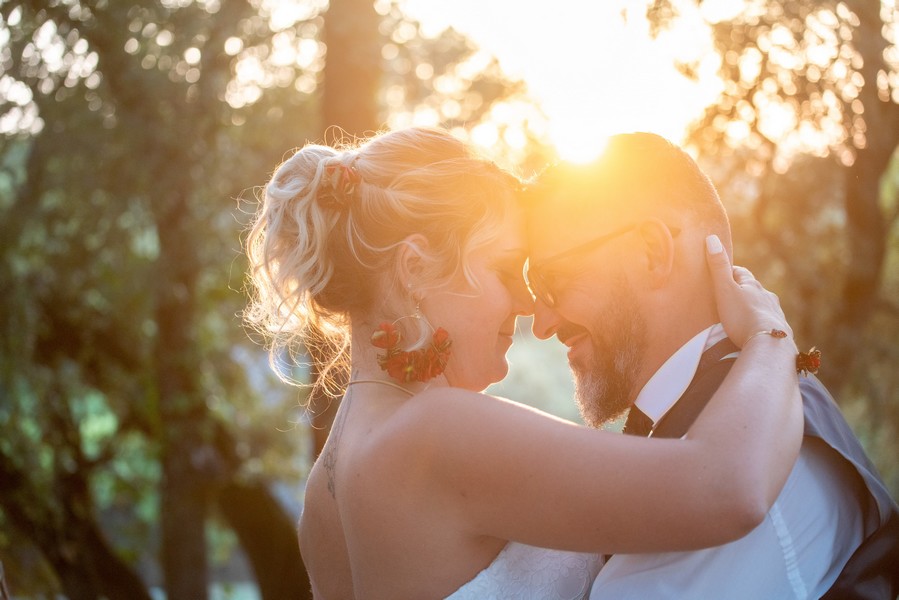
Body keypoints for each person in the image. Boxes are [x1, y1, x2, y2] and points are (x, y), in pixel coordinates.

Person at [244, 126, 804, 599]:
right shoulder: (439, 432)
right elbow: (729, 489)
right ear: (415, 269)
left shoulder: (323, 496)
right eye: (506, 271)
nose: (528, 304)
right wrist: (768, 334)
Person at [526, 132, 899, 600]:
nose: (541, 322)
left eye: (552, 281)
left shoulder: (757, 453)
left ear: (651, 252)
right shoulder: (745, 416)